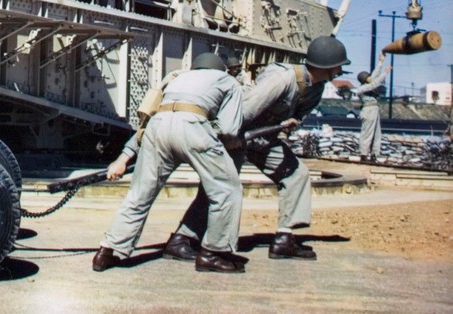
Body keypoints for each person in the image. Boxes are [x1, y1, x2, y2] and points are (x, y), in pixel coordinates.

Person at [166, 35, 350, 262]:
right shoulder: (282, 79)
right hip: (237, 133)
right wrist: (229, 138)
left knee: (296, 174)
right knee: (219, 187)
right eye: (339, 65)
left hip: (263, 138)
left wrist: (287, 127)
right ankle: (182, 239)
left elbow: (294, 117)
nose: (341, 70)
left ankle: (285, 238)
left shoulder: (316, 89)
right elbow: (244, 110)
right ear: (328, 65)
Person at [92, 52, 245, 274]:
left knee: (140, 194)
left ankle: (108, 251)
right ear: (219, 68)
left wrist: (123, 158)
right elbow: (230, 129)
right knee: (227, 189)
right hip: (193, 126)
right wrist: (214, 137)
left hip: (157, 126)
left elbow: (145, 121)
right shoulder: (228, 81)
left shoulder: (174, 77)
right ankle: (213, 253)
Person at [353, 54, 390, 162]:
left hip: (374, 110)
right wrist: (385, 73)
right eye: (368, 77)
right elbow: (374, 84)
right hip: (368, 111)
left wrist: (380, 62)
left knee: (376, 133)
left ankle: (374, 153)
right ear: (364, 80)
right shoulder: (362, 89)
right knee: (367, 133)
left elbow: (374, 75)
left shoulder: (366, 84)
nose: (370, 77)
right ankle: (363, 154)